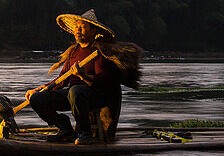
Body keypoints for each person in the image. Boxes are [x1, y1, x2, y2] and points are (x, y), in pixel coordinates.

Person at [26, 9, 142, 144]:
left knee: (75, 91)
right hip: (74, 96)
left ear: (93, 31)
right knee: (37, 99)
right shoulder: (73, 52)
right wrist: (41, 89)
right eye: (76, 27)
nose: (78, 30)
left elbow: (103, 81)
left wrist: (84, 76)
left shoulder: (100, 51)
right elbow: (62, 79)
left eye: (82, 27)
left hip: (97, 96)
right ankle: (65, 129)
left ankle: (85, 134)